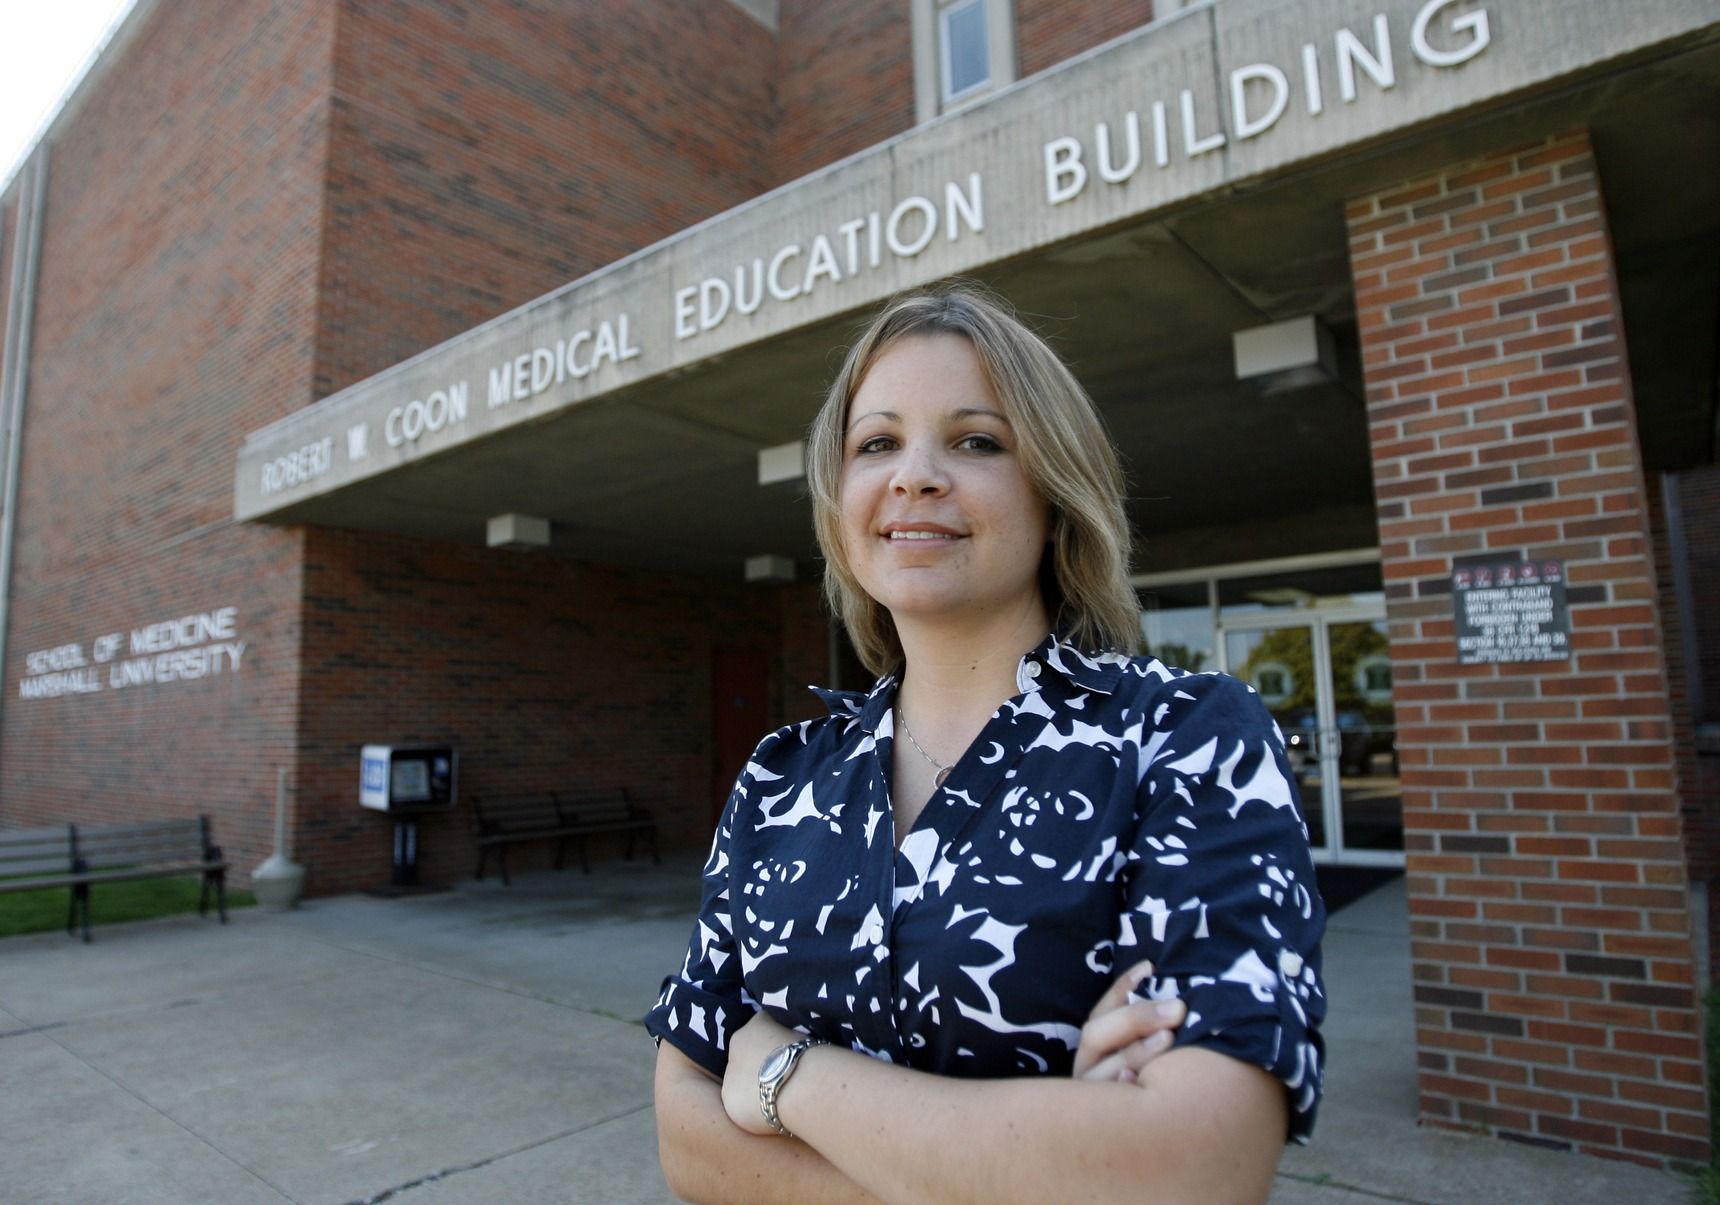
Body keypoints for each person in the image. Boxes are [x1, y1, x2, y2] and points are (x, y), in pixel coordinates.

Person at [645, 284, 1325, 1204]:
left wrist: (781, 1076)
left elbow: (1197, 1167)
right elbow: (686, 1139)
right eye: (876, 443)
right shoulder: (780, 779)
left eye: (977, 440)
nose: (915, 474)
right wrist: (1046, 1162)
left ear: (1054, 489)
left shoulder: (1182, 738)